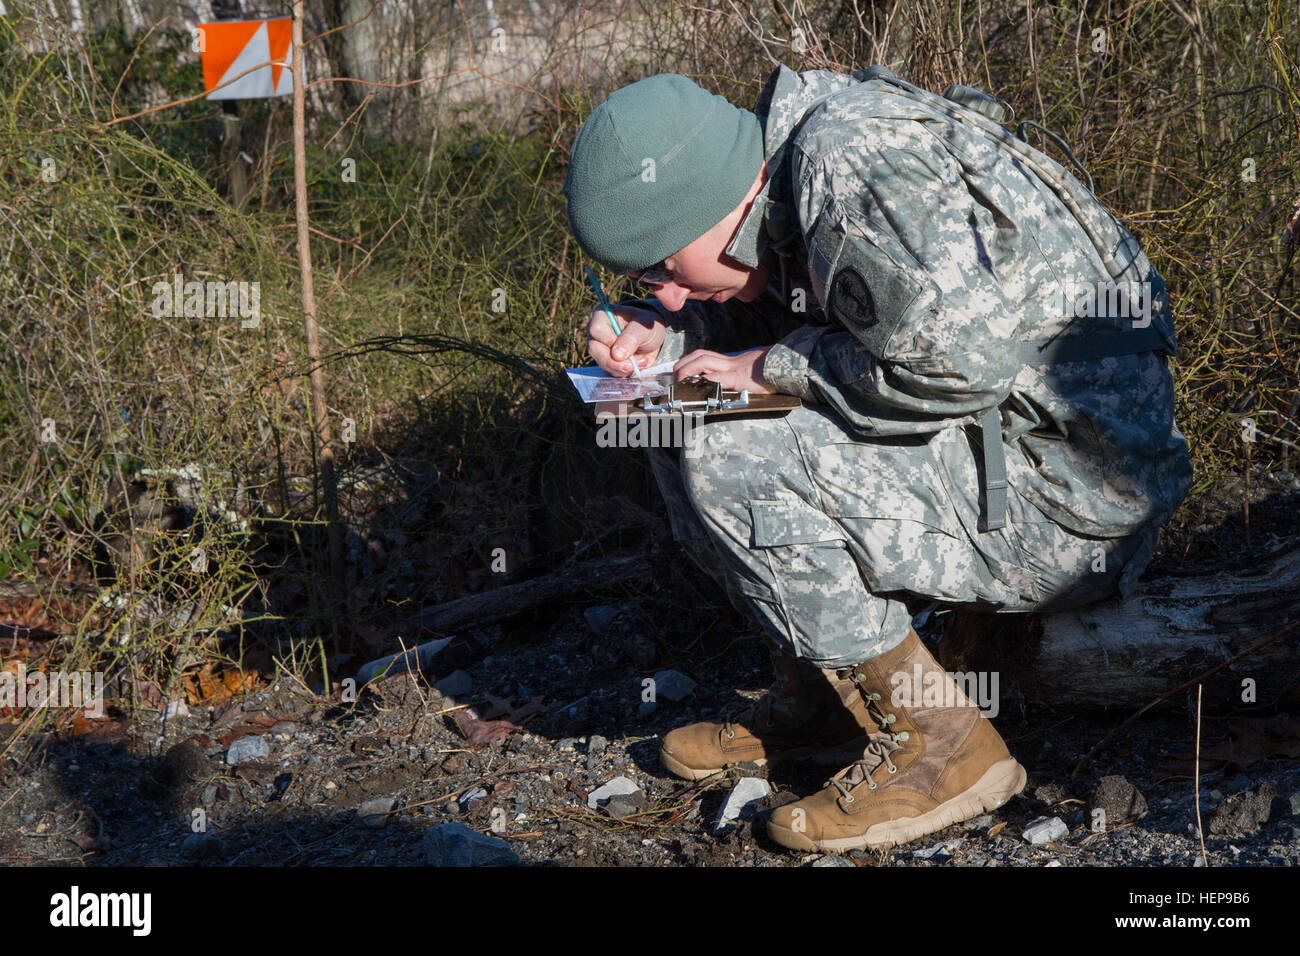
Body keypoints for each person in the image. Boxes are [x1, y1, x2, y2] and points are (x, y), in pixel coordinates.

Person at [561, 66, 1193, 852]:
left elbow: (950, 367)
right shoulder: (790, 166)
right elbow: (850, 325)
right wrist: (671, 346)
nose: (666, 293)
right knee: (667, 410)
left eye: (660, 269)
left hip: (1070, 499)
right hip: (1006, 449)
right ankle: (831, 698)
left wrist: (771, 370)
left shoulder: (848, 156)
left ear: (706, 204)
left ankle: (942, 745)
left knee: (729, 446)